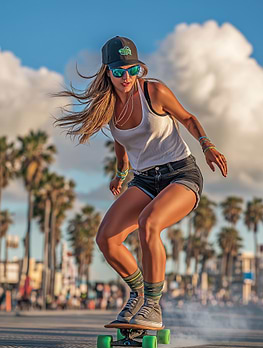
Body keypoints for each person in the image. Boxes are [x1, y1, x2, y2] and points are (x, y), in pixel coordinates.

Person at [54, 36, 227, 328]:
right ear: (107, 71)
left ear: (139, 68)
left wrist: (207, 145)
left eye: (132, 70)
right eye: (119, 71)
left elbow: (187, 118)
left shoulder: (154, 91)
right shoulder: (107, 108)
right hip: (145, 179)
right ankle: (137, 293)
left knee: (150, 223)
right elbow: (122, 146)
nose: (127, 78)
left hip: (181, 174)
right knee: (107, 239)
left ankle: (153, 306)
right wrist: (121, 175)